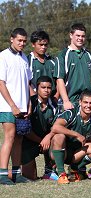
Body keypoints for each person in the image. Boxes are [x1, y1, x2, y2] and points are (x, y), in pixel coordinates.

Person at [50, 90, 91, 184]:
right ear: (80, 102)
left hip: (76, 155)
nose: (88, 105)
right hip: (61, 151)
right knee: (59, 136)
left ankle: (74, 169)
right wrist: (76, 135)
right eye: (85, 102)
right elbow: (55, 127)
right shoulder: (71, 113)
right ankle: (61, 173)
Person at [0, 28, 32, 185]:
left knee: (19, 139)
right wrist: (12, 105)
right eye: (19, 40)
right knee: (10, 137)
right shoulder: (3, 56)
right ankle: (2, 175)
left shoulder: (24, 57)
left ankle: (16, 173)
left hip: (23, 106)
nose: (22, 43)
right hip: (7, 106)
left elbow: (27, 83)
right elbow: (1, 83)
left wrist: (29, 103)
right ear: (11, 39)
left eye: (24, 41)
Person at [21, 76, 58, 181]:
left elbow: (57, 127)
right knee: (30, 177)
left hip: (48, 141)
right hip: (29, 141)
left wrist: (48, 138)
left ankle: (50, 170)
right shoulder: (29, 103)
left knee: (59, 138)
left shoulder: (55, 105)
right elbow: (25, 130)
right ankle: (5, 173)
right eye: (43, 87)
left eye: (49, 87)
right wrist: (41, 141)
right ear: (37, 88)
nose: (46, 90)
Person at [54, 23, 91, 110]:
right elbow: (60, 80)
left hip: (89, 101)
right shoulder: (63, 55)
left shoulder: (89, 54)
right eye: (77, 35)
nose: (80, 38)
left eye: (83, 36)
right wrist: (66, 101)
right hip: (72, 101)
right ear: (71, 35)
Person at [28, 30, 58, 100]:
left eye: (45, 45)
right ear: (33, 44)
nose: (43, 47)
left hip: (51, 100)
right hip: (34, 100)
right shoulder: (27, 61)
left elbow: (59, 81)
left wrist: (56, 97)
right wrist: (35, 99)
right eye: (41, 45)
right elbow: (26, 83)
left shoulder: (53, 61)